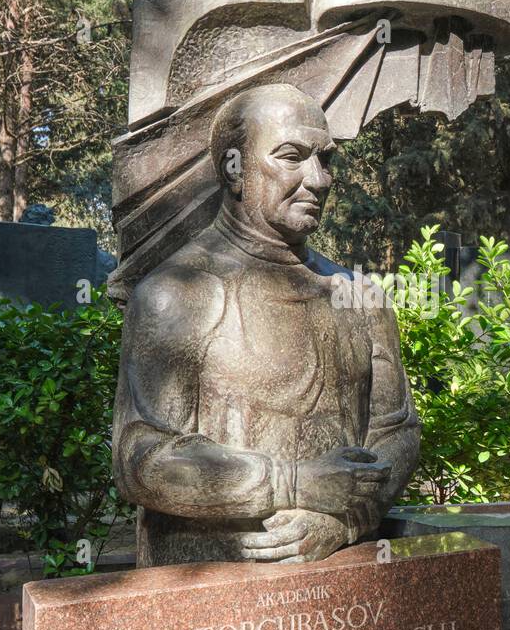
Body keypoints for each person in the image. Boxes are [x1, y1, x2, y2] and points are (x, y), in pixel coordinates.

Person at [113, 81, 419, 566]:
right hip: (210, 598)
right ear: (234, 168)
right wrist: (296, 484)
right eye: (292, 156)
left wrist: (345, 519)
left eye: (326, 160)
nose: (318, 180)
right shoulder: (176, 293)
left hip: (341, 586)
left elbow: (396, 431)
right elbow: (142, 461)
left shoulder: (360, 298)